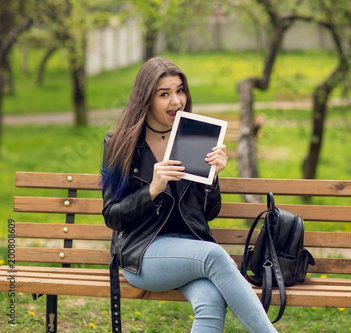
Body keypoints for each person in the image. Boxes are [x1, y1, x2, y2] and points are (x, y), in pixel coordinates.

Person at [101, 57, 278, 333]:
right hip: (141, 254)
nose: (176, 101)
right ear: (145, 98)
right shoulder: (120, 144)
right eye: (164, 94)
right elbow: (112, 216)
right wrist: (152, 190)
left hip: (189, 251)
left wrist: (212, 178)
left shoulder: (194, 136)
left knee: (210, 302)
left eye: (180, 91)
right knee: (215, 255)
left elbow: (207, 213)